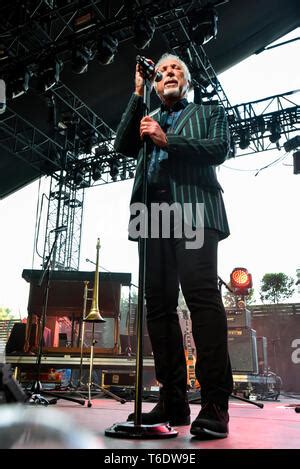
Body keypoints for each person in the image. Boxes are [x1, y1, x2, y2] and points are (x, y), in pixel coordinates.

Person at [114, 53, 233, 439]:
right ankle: (173, 400)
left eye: (176, 69)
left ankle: (215, 403)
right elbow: (122, 145)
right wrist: (136, 92)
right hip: (151, 216)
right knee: (157, 306)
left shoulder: (208, 113)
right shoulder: (146, 114)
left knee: (200, 300)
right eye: (162, 71)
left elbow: (218, 149)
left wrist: (169, 140)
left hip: (194, 210)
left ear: (188, 80)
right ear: (153, 82)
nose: (169, 74)